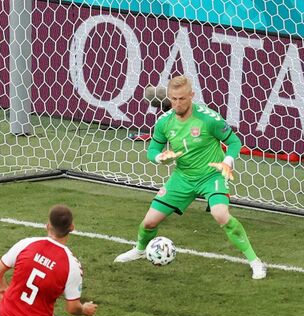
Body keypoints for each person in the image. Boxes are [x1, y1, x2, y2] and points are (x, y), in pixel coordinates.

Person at [114, 75, 267, 279]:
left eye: (183, 99)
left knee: (221, 215)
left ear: (191, 96)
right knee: (149, 223)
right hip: (182, 177)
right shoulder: (164, 122)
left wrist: (227, 162)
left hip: (210, 175)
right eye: (174, 99)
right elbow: (152, 150)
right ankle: (140, 249)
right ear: (169, 97)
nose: (178, 103)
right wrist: (161, 158)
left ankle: (255, 262)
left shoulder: (208, 119)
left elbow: (234, 142)